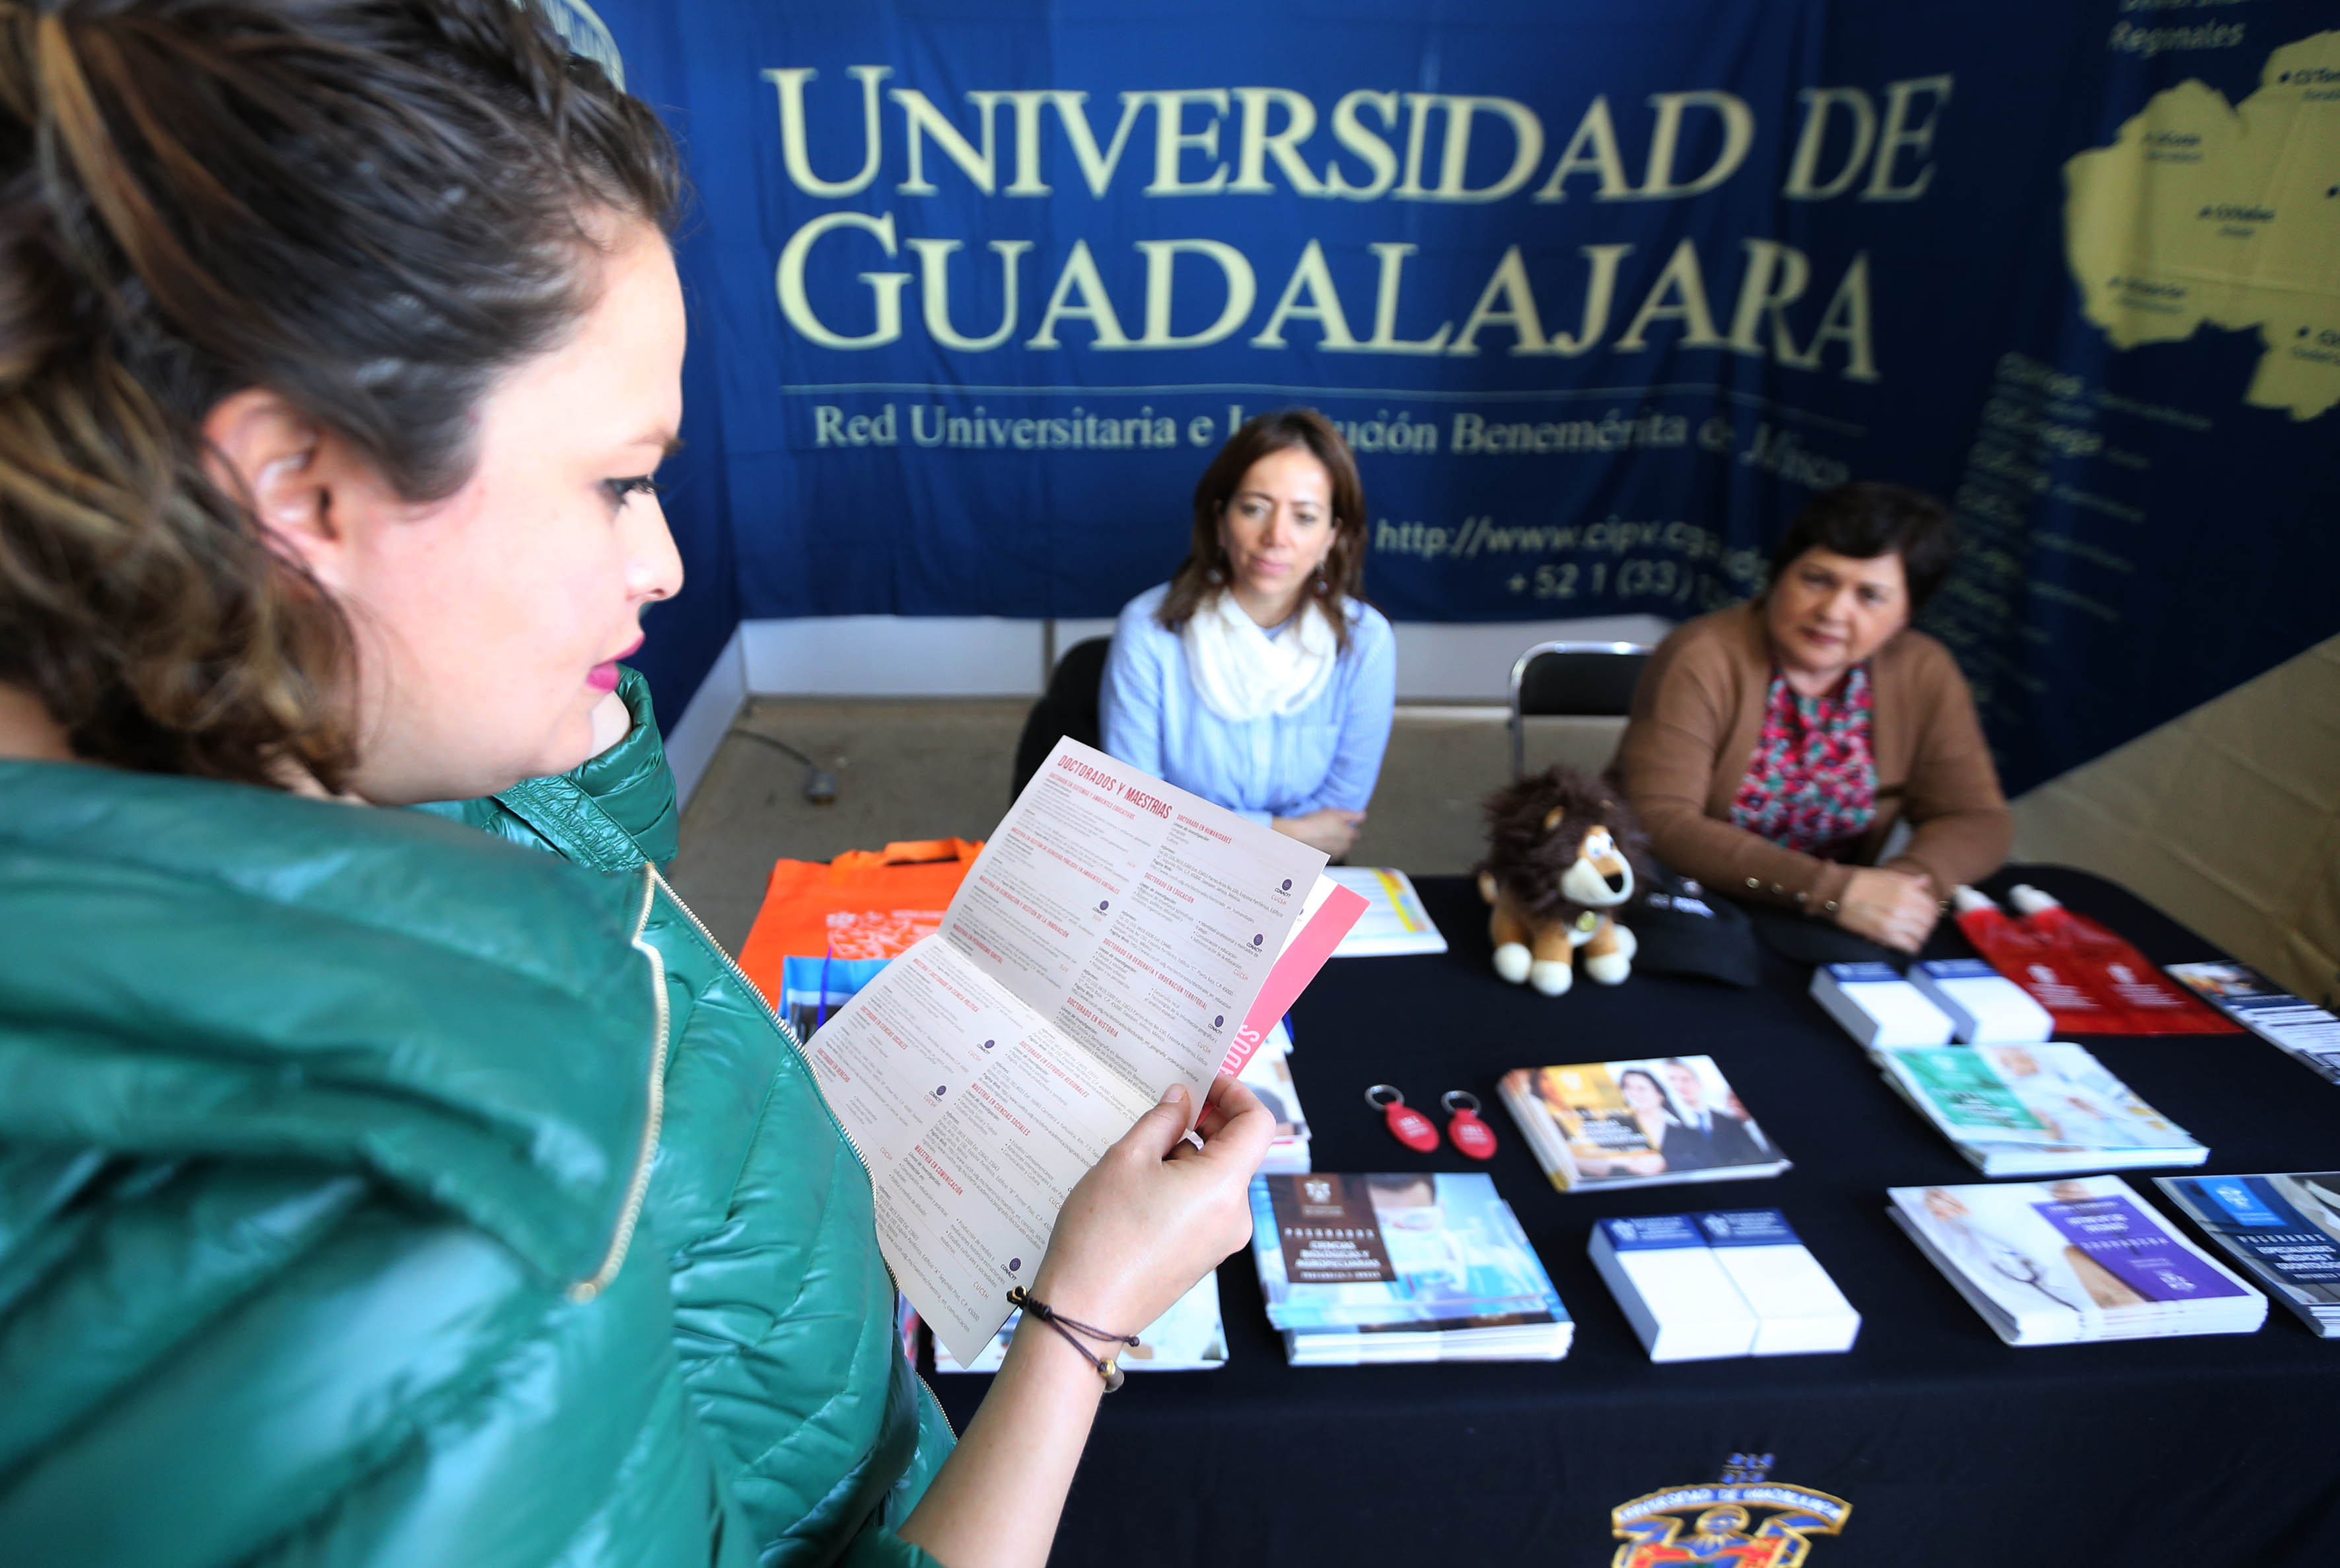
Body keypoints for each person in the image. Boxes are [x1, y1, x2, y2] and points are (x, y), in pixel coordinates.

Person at [0, 5, 1268, 1566]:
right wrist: (1083, 1315)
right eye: (617, 481)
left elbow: (603, 861)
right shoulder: (389, 1265)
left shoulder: (316, 730)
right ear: (293, 492)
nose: (662, 560)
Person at [1612, 482, 2013, 954]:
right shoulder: (1702, 655)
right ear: (1779, 576)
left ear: (1906, 613)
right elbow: (1661, 822)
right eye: (1817, 580)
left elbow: (1976, 818)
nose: (1833, 611)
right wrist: (1830, 889)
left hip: (1824, 924)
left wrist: (1906, 885)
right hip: (1684, 908)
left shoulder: (1923, 670)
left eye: (1870, 596)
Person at [1100, 410, 1396, 860]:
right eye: (1254, 508)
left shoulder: (1365, 640)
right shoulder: (1149, 629)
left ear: (1332, 536)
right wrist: (1288, 832)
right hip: (1165, 875)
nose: (1276, 537)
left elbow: (1339, 820)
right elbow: (1136, 814)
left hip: (1301, 875)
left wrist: (1205, 830)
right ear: (1220, 520)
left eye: (1304, 517)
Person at [1656, 1057, 1769, 1172]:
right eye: (1672, 1080)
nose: (1679, 1086)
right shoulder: (1665, 1125)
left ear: (1699, 1083)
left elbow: (1756, 1159)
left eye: (1685, 1079)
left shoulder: (1729, 1122)